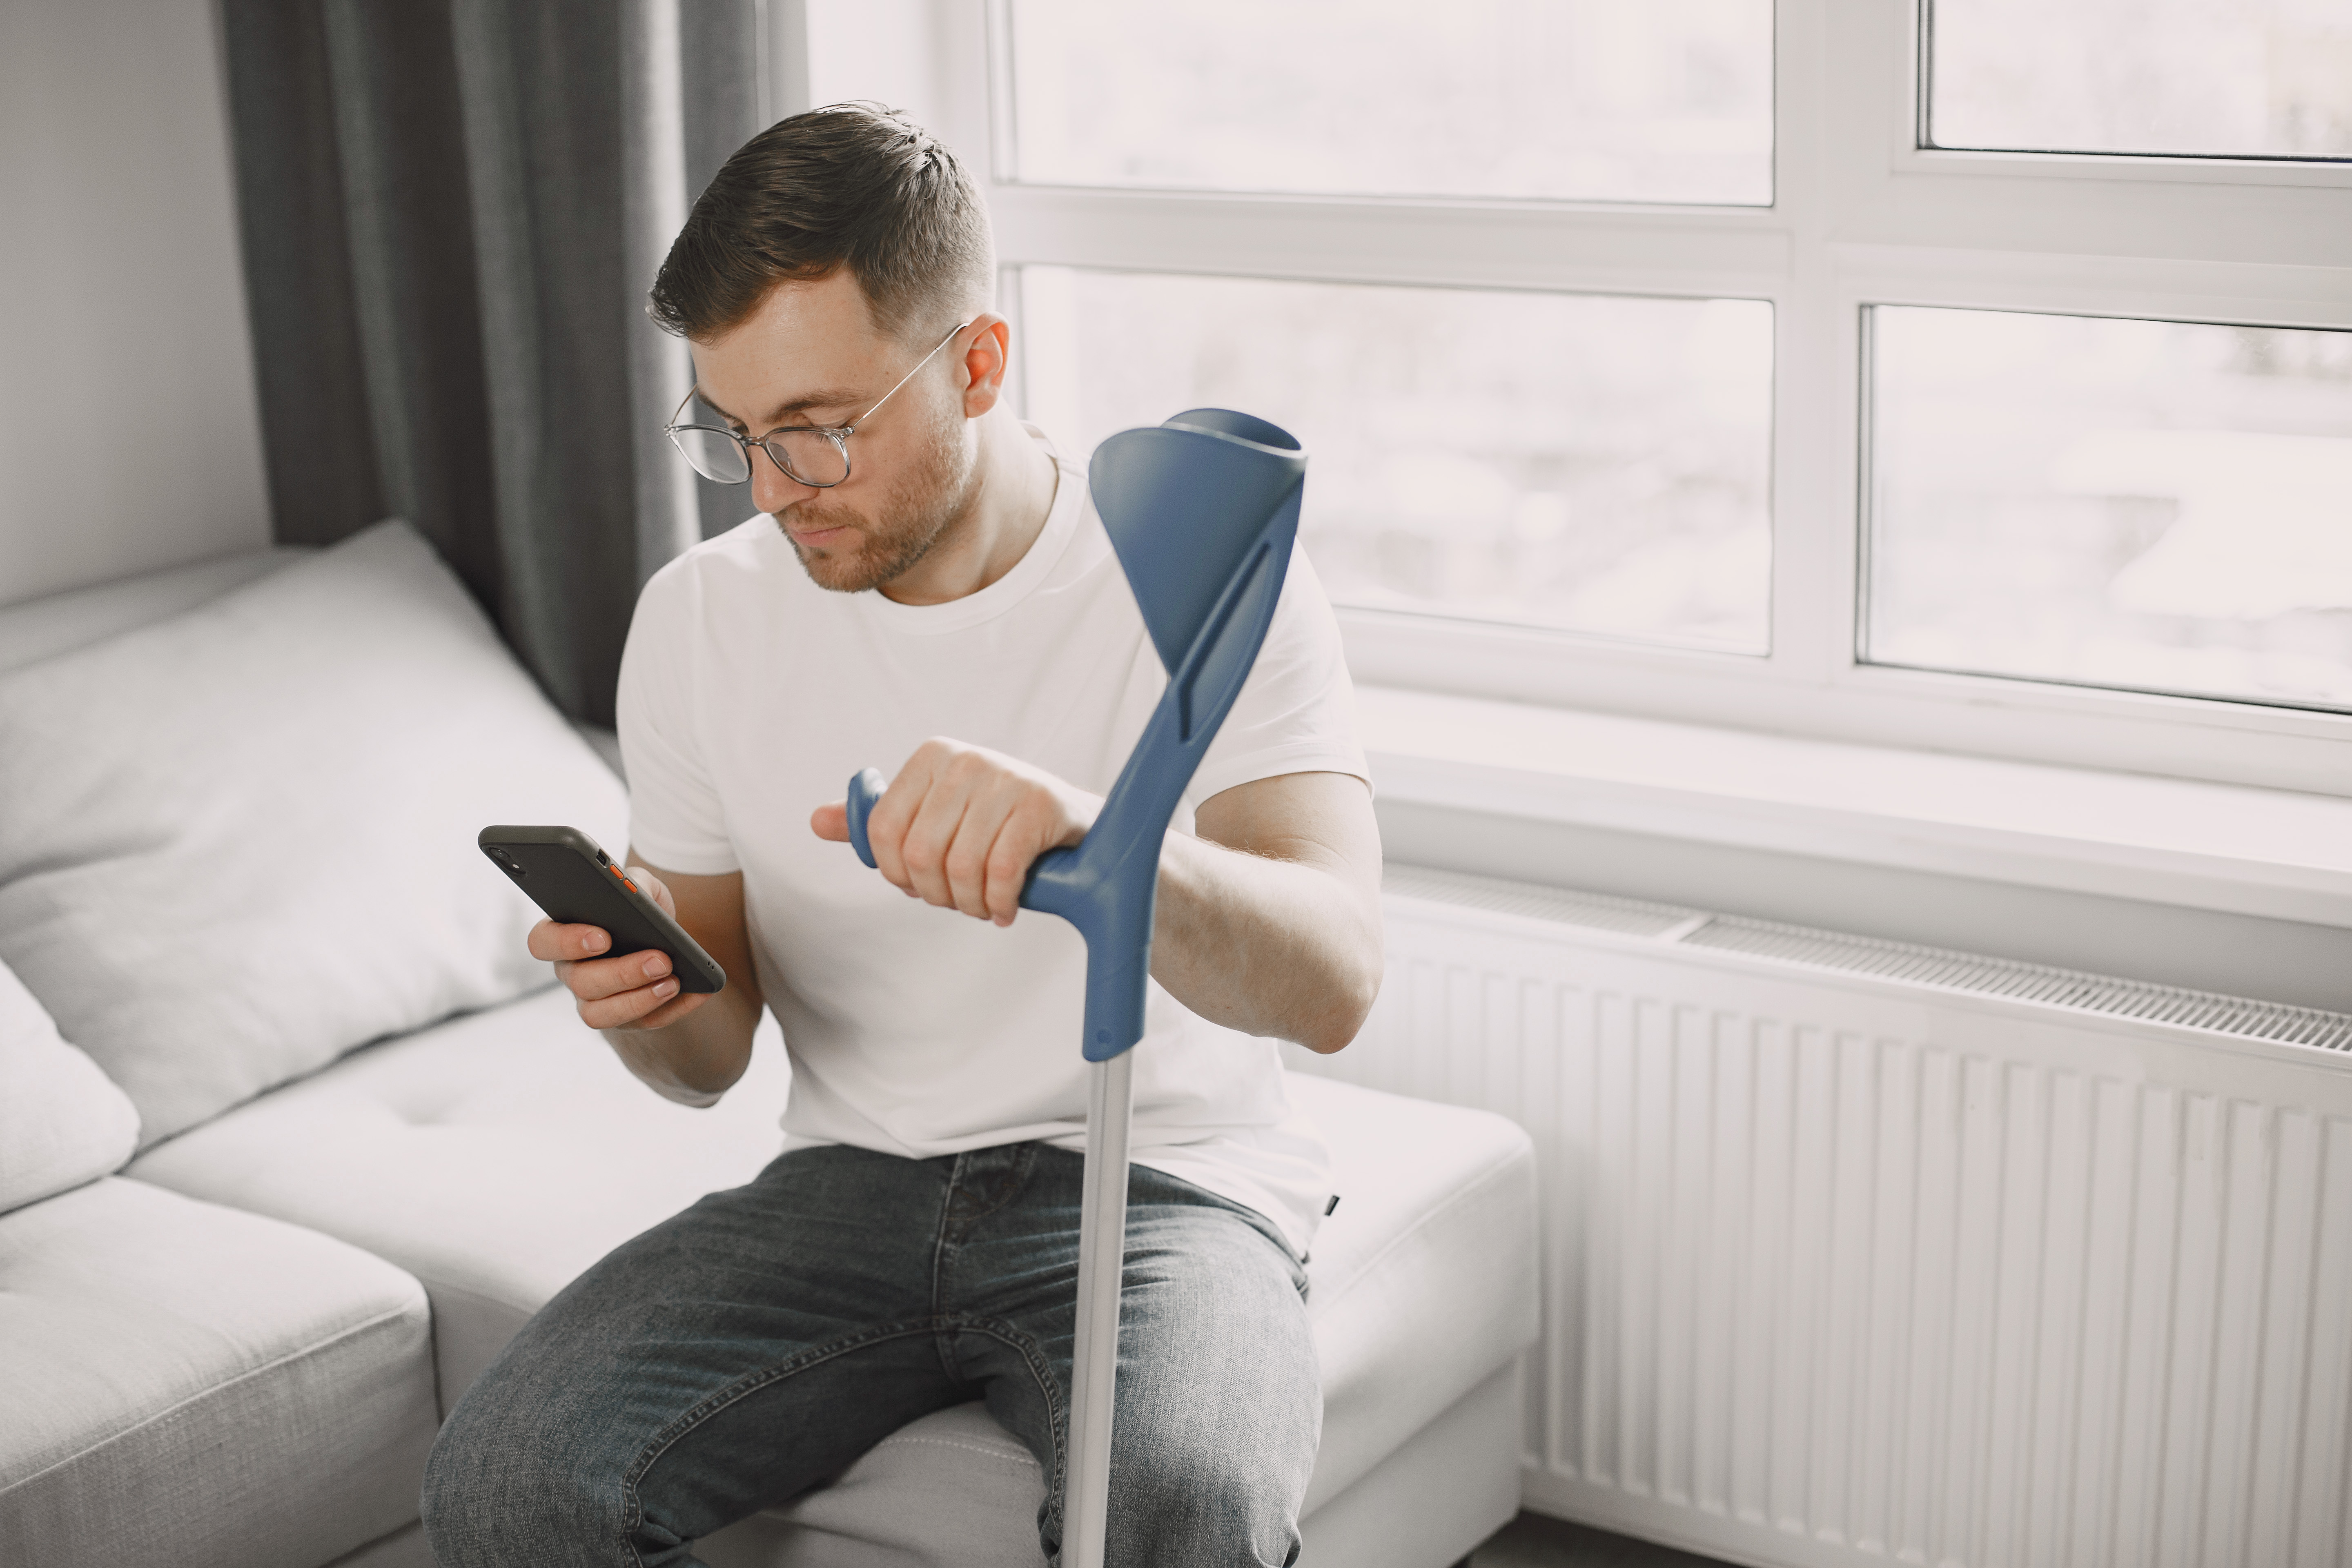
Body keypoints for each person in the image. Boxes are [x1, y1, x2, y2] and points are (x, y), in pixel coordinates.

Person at [419, 103, 1383, 1568]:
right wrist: (643, 1005)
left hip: (1160, 1181)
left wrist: (1101, 842)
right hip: (849, 1185)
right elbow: (708, 1060)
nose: (774, 489)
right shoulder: (699, 621)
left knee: (1179, 1504)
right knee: (503, 1485)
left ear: (979, 364)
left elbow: (1333, 980)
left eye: (816, 429)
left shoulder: (1188, 574)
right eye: (732, 433)